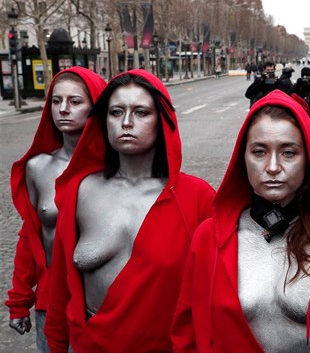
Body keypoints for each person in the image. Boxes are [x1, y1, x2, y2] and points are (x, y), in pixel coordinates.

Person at [171, 90, 310, 352]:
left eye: (288, 153)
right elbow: (187, 334)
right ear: (242, 159)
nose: (273, 166)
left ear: (308, 159)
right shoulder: (209, 239)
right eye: (259, 151)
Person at [44, 69, 216, 351]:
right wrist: (56, 343)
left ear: (162, 120)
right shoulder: (78, 192)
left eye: (141, 112)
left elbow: (214, 295)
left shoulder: (198, 198)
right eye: (115, 112)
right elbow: (60, 286)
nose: (126, 122)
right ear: (103, 121)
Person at [5, 67, 105, 353]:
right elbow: (31, 236)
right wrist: (19, 299)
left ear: (94, 105)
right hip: (52, 304)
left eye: (75, 101)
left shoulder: (117, 170)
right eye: (55, 100)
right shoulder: (38, 168)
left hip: (103, 306)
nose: (63, 109)